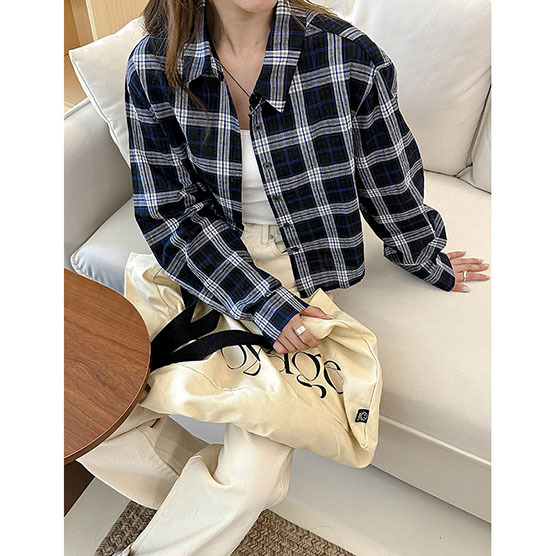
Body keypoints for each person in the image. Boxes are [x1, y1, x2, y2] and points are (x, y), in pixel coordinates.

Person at [79, 0, 491, 554]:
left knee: (250, 478)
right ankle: (205, 508)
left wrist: (425, 253)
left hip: (298, 262)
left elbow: (388, 176)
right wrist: (262, 305)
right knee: (87, 410)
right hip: (201, 257)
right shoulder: (155, 65)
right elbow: (169, 212)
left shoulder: (344, 54)